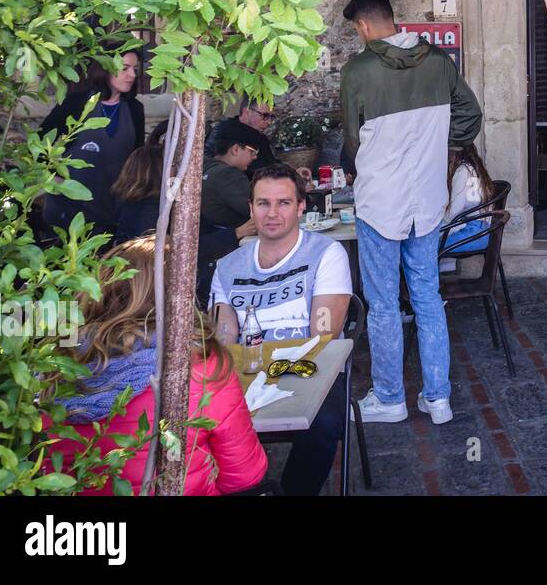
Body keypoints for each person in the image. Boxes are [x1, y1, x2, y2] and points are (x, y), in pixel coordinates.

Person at [340, 0, 482, 426]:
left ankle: (390, 398)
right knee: (427, 296)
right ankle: (438, 399)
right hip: (426, 198)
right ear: (390, 16)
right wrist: (439, 140)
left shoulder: (358, 70)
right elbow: (470, 116)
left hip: (379, 201)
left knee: (382, 303)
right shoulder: (440, 63)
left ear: (363, 26)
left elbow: (350, 137)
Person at [51, 236, 268, 496]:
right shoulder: (202, 368)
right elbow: (244, 474)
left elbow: (44, 472)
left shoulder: (54, 368)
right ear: (178, 294)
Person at [209, 164, 352, 495]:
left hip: (310, 371)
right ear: (251, 208)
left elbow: (323, 336)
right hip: (247, 374)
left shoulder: (326, 254)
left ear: (301, 207)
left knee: (324, 423)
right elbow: (223, 339)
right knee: (203, 418)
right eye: (263, 203)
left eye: (283, 203)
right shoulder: (228, 268)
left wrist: (267, 367)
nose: (272, 213)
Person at [113, 122, 257, 306]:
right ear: (159, 172)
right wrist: (236, 233)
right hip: (152, 291)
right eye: (173, 166)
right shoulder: (149, 210)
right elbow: (178, 249)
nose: (178, 170)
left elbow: (199, 231)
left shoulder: (149, 203)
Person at [40, 49, 145, 237]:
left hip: (112, 210)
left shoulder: (135, 109)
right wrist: (52, 177)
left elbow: (137, 158)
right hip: (69, 210)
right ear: (104, 68)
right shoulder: (76, 103)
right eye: (125, 68)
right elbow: (40, 140)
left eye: (135, 69)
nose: (132, 75)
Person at [441, 141, 496, 256]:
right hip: (484, 232)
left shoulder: (462, 171)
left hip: (470, 234)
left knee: (423, 246)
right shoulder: (476, 170)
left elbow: (453, 212)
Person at [200, 125, 257, 230]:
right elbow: (258, 210)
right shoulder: (228, 174)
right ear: (235, 149)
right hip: (229, 239)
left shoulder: (205, 166)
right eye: (252, 152)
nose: (254, 157)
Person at [210, 100, 278, 177]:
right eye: (265, 116)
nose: (269, 122)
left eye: (271, 117)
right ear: (247, 112)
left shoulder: (261, 138)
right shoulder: (222, 130)